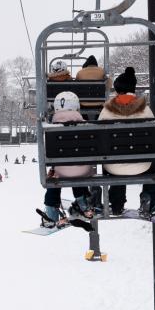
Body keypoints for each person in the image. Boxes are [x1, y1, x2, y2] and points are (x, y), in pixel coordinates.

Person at [97, 67, 155, 216]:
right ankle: (149, 198)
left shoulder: (107, 111)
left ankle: (117, 203)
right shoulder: (145, 110)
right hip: (143, 166)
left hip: (114, 168)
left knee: (113, 157)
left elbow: (99, 138)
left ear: (117, 90)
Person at [50, 91, 95, 219]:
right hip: (83, 170)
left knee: (56, 174)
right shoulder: (85, 125)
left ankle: (51, 211)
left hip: (60, 170)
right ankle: (83, 203)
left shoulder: (49, 127)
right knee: (77, 166)